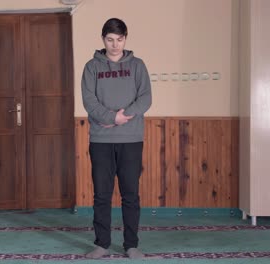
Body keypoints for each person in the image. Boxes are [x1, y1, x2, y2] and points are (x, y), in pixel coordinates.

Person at [81, 18, 152, 259]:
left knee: (130, 194)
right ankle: (102, 243)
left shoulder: (138, 66)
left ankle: (131, 244)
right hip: (100, 140)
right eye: (110, 40)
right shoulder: (92, 67)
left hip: (131, 139)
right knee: (102, 194)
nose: (115, 45)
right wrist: (113, 118)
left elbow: (145, 99)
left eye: (119, 39)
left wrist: (121, 118)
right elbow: (89, 101)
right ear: (103, 39)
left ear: (125, 38)